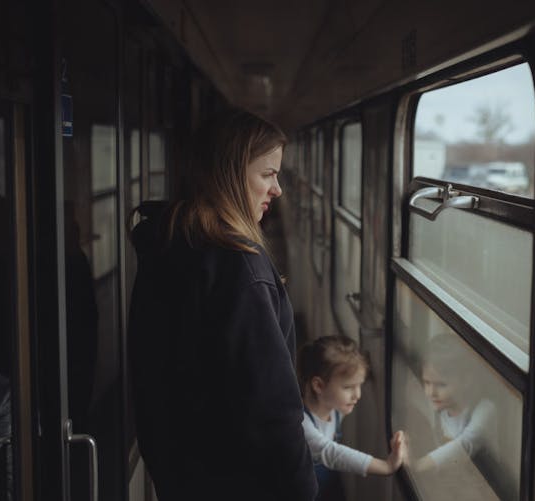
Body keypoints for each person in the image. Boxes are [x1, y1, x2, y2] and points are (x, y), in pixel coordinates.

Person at [128, 110, 317, 500]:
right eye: (268, 174)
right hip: (240, 481)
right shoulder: (238, 265)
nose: (277, 189)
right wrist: (303, 490)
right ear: (230, 175)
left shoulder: (172, 241)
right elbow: (270, 407)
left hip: (184, 474)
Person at [297, 335, 407, 501]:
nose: (357, 395)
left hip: (325, 485)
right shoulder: (303, 424)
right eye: (348, 387)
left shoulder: (336, 408)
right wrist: (386, 466)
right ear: (318, 385)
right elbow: (331, 453)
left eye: (359, 385)